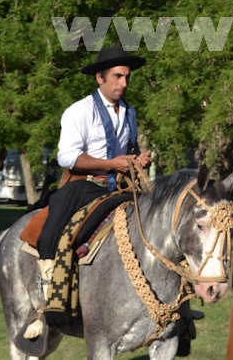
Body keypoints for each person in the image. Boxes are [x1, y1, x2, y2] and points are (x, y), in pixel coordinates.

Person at [25, 45, 153, 338]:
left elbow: (126, 152)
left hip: (120, 186)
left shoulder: (130, 112)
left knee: (161, 223)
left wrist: (137, 159)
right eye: (117, 77)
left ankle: (174, 312)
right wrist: (111, 163)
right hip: (83, 186)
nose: (123, 83)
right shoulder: (79, 111)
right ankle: (46, 304)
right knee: (58, 233)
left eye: (127, 77)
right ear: (100, 77)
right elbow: (67, 157)